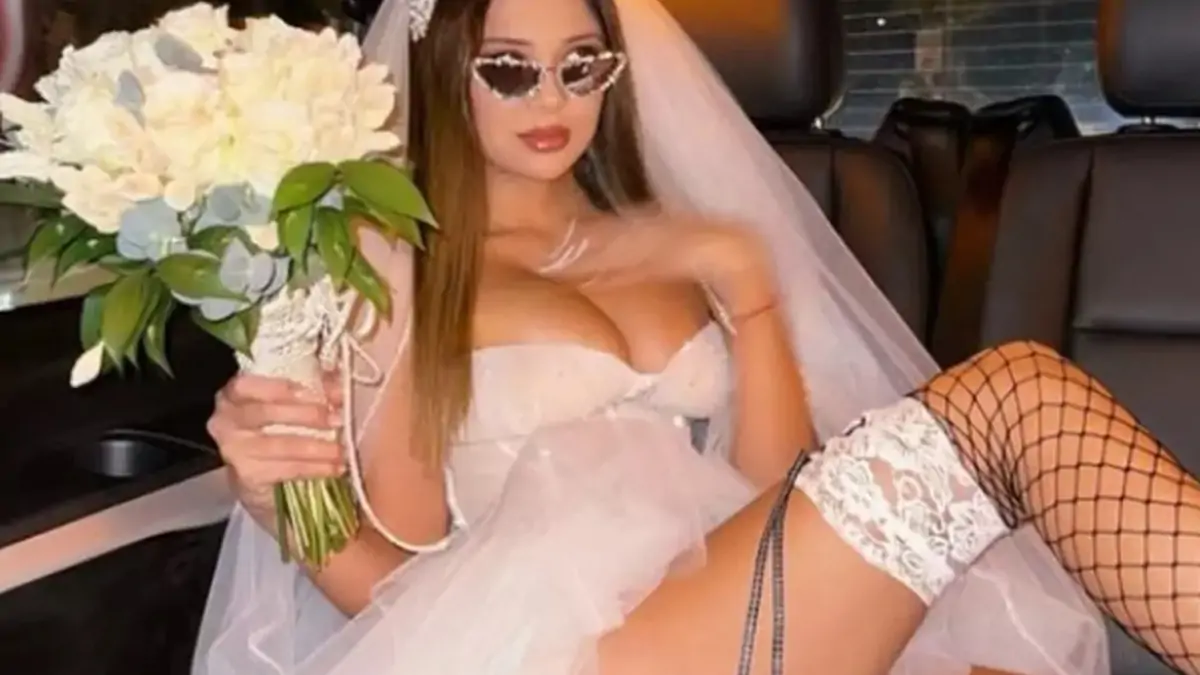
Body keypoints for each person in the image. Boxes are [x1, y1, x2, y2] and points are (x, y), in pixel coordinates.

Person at [189, 0, 1188, 673]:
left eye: (582, 65)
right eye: (511, 70)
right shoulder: (397, 266)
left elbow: (774, 497)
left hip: (726, 610)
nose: (553, 99)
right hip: (558, 647)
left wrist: (750, 296)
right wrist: (288, 507)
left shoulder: (675, 238)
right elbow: (403, 586)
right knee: (1015, 396)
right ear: (445, 69)